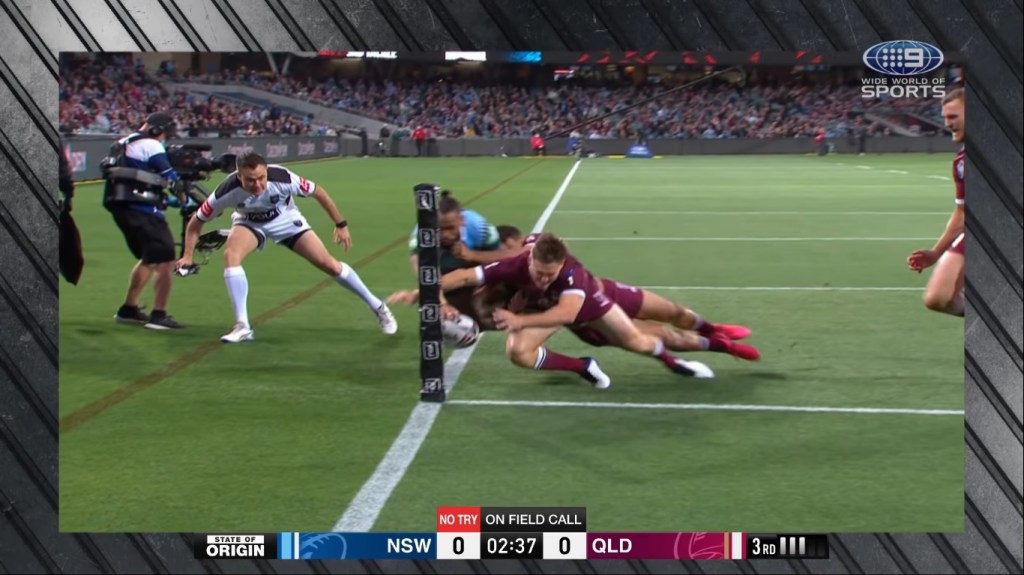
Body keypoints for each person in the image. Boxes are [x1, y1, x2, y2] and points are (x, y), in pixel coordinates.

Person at [393, 233, 715, 389]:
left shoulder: (572, 275)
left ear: (561, 264)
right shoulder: (516, 264)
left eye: (551, 274)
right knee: (518, 353)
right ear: (529, 259)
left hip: (583, 307)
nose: (544, 278)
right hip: (542, 309)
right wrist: (430, 294)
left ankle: (678, 361)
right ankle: (582, 367)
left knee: (637, 341)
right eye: (539, 272)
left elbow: (566, 314)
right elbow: (464, 276)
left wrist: (518, 319)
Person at [178, 151, 397, 343]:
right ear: (239, 177)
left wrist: (341, 224)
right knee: (231, 256)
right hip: (249, 222)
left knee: (329, 265)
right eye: (251, 180)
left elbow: (319, 192)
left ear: (266, 172)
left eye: (261, 178)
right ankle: (242, 326)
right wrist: (187, 256)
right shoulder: (226, 191)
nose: (258, 185)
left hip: (285, 219)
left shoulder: (283, 178)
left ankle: (378, 307)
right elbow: (196, 222)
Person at [102, 112, 185, 330]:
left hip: (120, 206)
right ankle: (159, 315)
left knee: (150, 257)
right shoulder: (151, 144)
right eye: (165, 134)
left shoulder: (123, 142)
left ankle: (129, 309)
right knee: (166, 259)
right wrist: (184, 198)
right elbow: (171, 178)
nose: (165, 138)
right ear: (158, 130)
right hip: (141, 207)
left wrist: (164, 200)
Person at [408, 191, 507, 329]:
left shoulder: (480, 228)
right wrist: (442, 303)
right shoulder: (421, 236)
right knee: (442, 312)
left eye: (450, 228)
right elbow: (425, 275)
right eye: (440, 229)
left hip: (473, 264)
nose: (445, 234)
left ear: (462, 220)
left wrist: (473, 255)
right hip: (442, 267)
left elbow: (502, 258)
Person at [907, 88, 965, 317]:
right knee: (938, 297)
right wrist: (935, 253)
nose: (947, 123)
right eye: (945, 117)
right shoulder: (961, 162)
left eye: (953, 116)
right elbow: (962, 213)